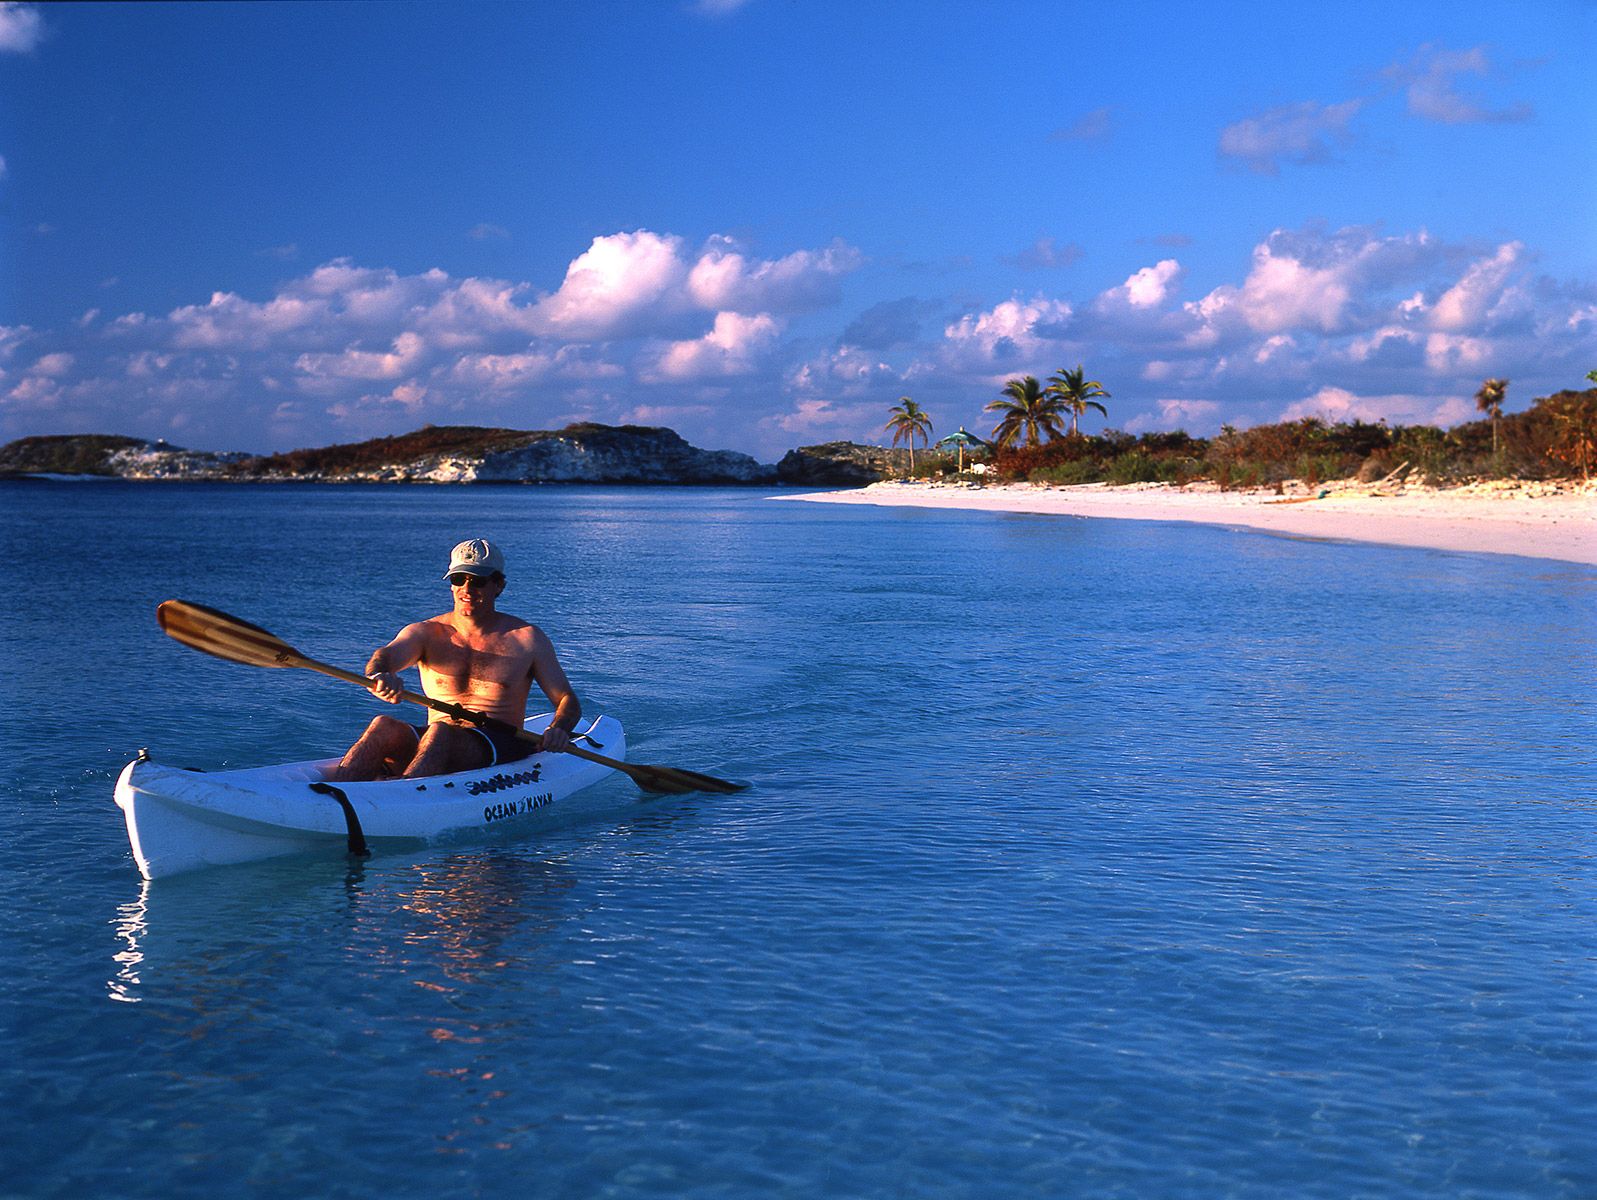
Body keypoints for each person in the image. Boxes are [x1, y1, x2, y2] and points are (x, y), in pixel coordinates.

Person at [324, 538, 580, 781]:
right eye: (459, 579)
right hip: (436, 741)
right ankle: (337, 793)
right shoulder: (426, 632)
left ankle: (406, 796)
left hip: (500, 743)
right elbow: (385, 656)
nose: (467, 589)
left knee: (441, 732)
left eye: (478, 580)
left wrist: (559, 728)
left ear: (498, 585)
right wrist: (380, 674)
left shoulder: (527, 639)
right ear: (451, 584)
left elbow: (566, 700)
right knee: (383, 726)